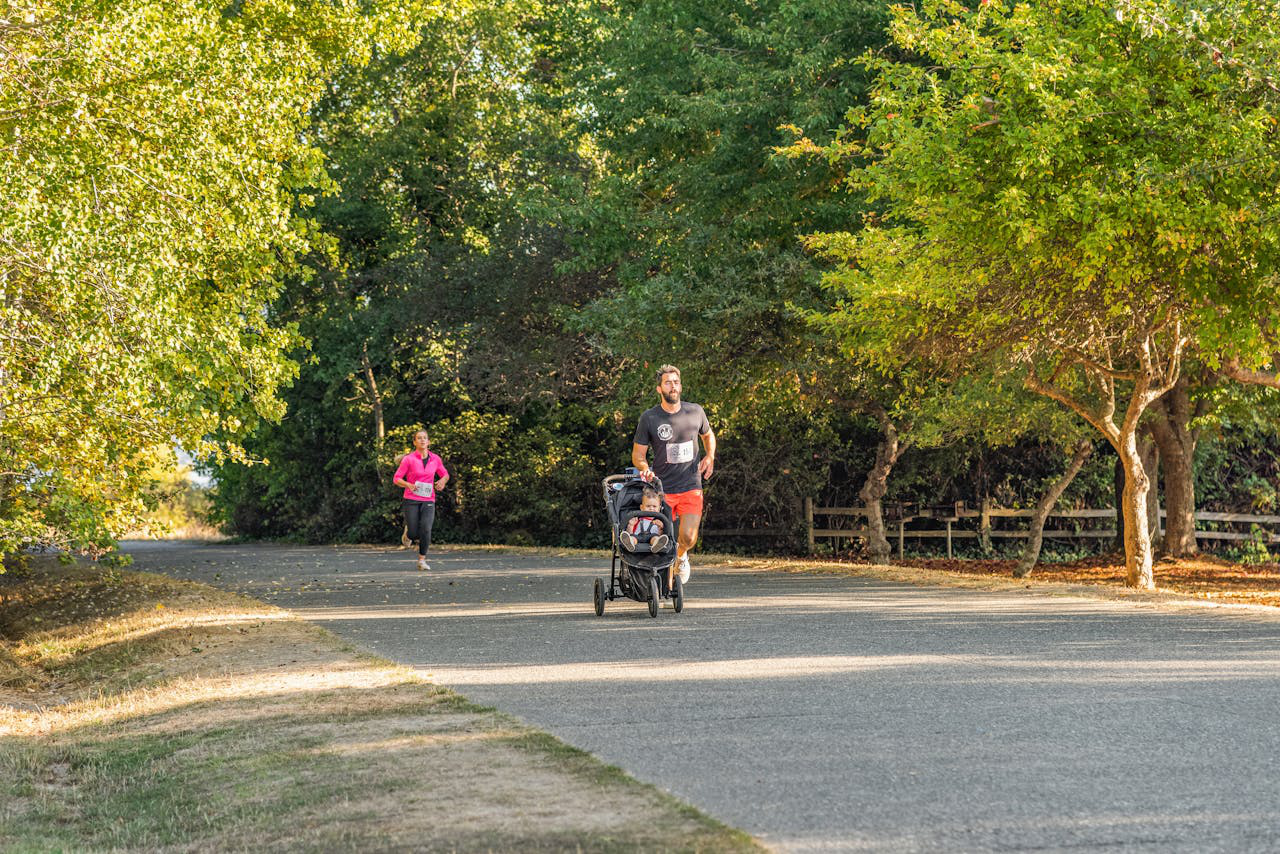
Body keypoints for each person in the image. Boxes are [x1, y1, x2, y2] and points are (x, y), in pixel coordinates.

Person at [632, 364, 715, 591]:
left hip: (690, 484)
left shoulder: (695, 411)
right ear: (660, 388)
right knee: (663, 538)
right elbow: (638, 455)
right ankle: (666, 588)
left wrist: (710, 456)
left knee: (688, 537)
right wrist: (645, 468)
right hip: (662, 489)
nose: (673, 386)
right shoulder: (649, 418)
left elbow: (708, 435)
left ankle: (681, 556)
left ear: (681, 385)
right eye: (668, 382)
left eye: (676, 382)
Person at [392, 430, 449, 570]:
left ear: (428, 442)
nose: (422, 440)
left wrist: (442, 481)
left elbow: (445, 474)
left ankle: (422, 560)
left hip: (428, 499)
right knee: (413, 533)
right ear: (415, 442)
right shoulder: (409, 459)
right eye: (419, 438)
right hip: (411, 498)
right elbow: (396, 478)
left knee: (426, 529)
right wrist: (408, 485)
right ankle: (408, 533)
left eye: (425, 438)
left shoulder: (435, 459)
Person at [618, 487, 671, 553]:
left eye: (654, 506)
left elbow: (660, 535)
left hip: (652, 538)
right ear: (642, 507)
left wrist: (660, 529)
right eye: (648, 506)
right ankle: (630, 543)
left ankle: (657, 545)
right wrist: (630, 525)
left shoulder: (659, 520)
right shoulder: (637, 519)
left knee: (655, 538)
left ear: (659, 508)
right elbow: (630, 533)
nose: (651, 508)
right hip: (638, 538)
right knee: (633, 538)